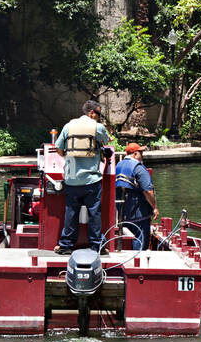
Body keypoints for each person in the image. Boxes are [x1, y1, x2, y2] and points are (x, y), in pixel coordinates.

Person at [54, 99, 111, 254]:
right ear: (91, 113)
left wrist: (68, 158)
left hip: (71, 179)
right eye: (98, 114)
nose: (99, 117)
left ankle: (66, 245)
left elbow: (58, 148)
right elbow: (107, 142)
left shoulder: (68, 126)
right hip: (92, 179)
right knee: (94, 213)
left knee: (71, 212)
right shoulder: (98, 127)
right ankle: (96, 246)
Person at [116, 142, 158, 250]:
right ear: (135, 154)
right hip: (139, 212)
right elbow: (148, 191)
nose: (142, 155)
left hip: (122, 211)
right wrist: (154, 207)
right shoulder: (138, 168)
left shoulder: (118, 165)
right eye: (141, 153)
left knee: (127, 235)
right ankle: (139, 260)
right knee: (140, 238)